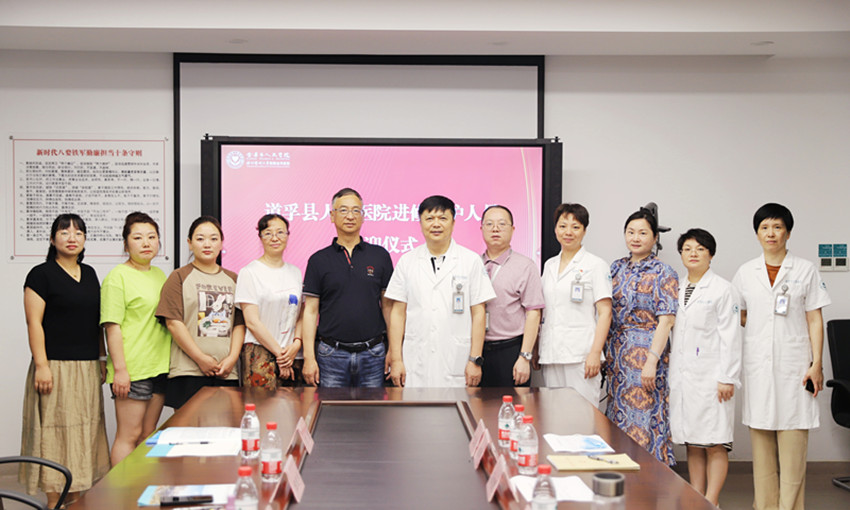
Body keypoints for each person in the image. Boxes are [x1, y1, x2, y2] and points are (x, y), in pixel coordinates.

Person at [732, 203, 830, 510]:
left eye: (777, 227)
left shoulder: (805, 270)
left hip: (795, 367)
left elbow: (814, 319)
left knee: (793, 450)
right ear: (757, 233)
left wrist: (816, 364)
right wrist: (762, 331)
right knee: (761, 452)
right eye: (764, 227)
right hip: (759, 367)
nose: (770, 233)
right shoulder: (746, 272)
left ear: (788, 232)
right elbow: (737, 313)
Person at [19, 214, 110, 508]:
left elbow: (97, 323)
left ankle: (76, 500)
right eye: (64, 231)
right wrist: (42, 365)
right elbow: (34, 323)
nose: (72, 237)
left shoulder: (90, 273)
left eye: (78, 232)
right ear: (52, 238)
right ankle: (54, 501)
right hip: (54, 367)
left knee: (84, 432)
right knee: (54, 434)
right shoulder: (41, 274)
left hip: (86, 368)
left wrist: (101, 358)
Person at [385, 195, 496, 387]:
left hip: (457, 360)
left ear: (453, 223)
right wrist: (396, 360)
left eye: (443, 218)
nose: (436, 224)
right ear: (420, 223)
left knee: (457, 405)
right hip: (416, 359)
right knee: (415, 406)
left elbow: (479, 313)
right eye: (429, 218)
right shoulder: (407, 261)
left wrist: (475, 359)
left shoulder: (470, 261)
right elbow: (398, 313)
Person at [669, 228, 742, 506]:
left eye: (700, 249)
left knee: (715, 442)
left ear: (711, 254)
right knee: (693, 440)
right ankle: (696, 497)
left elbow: (731, 337)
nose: (693, 254)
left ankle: (711, 501)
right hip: (685, 376)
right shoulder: (676, 287)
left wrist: (727, 377)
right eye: (687, 249)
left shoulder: (723, 289)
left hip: (713, 377)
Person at [606, 208, 678, 465]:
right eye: (631, 232)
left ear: (655, 237)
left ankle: (650, 476)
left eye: (643, 233)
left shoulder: (664, 272)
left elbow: (667, 320)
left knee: (647, 415)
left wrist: (652, 360)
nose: (636, 238)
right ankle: (620, 472)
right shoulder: (616, 268)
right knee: (618, 415)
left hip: (648, 354)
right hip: (618, 356)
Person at [301, 188, 394, 387]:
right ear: (332, 216)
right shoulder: (318, 260)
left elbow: (388, 307)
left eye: (355, 210)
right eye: (343, 210)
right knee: (331, 408)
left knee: (374, 408)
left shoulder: (380, 256)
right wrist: (309, 358)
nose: (350, 216)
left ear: (363, 216)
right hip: (331, 354)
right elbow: (310, 311)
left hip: (373, 354)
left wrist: (394, 350)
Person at [101, 212, 171, 466]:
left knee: (147, 434)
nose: (146, 243)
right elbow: (112, 327)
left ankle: (140, 486)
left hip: (160, 366)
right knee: (128, 436)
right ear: (126, 243)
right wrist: (120, 370)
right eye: (138, 237)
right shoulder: (117, 277)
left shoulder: (160, 275)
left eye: (152, 237)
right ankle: (120, 489)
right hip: (132, 368)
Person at [156, 216, 245, 409]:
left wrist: (231, 359)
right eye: (200, 238)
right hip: (188, 371)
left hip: (226, 372)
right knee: (188, 427)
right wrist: (200, 358)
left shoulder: (233, 279)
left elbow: (239, 324)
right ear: (189, 243)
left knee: (224, 426)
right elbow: (173, 323)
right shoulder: (178, 277)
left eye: (213, 238)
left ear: (221, 243)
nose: (207, 244)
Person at [536, 203, 612, 405]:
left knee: (582, 415)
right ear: (555, 229)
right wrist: (536, 349)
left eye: (575, 227)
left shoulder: (596, 265)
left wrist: (595, 353)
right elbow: (544, 310)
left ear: (584, 231)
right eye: (562, 226)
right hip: (552, 354)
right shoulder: (549, 265)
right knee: (553, 414)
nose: (568, 232)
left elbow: (605, 313)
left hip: (581, 355)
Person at [235, 214, 304, 389]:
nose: (275, 238)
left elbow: (301, 314)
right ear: (260, 237)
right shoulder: (249, 272)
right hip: (260, 352)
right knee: (261, 405)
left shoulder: (295, 272)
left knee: (292, 405)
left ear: (288, 235)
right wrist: (280, 354)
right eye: (268, 233)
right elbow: (252, 321)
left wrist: (297, 343)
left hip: (292, 353)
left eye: (280, 232)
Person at [479, 205, 544, 387]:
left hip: (510, 350)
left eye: (502, 224)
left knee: (512, 404)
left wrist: (524, 356)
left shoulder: (525, 266)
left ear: (513, 229)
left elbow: (533, 314)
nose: (495, 229)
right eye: (489, 224)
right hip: (476, 351)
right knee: (475, 404)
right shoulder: (473, 264)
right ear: (481, 228)